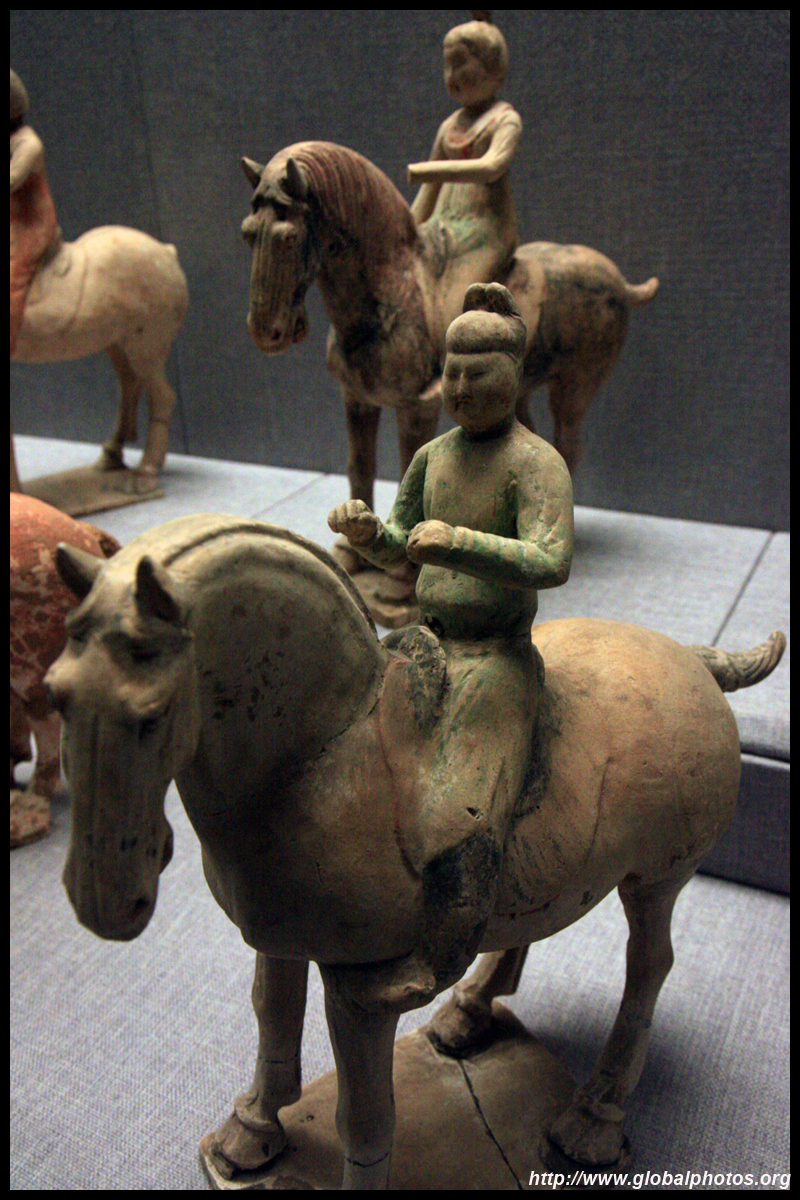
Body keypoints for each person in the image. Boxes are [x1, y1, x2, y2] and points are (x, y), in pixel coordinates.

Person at [329, 283, 573, 990]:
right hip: (423, 638)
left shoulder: (535, 462)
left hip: (496, 653)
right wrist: (370, 535)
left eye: (478, 374)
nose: (461, 389)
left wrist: (460, 542)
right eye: (453, 374)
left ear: (515, 374)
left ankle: (447, 943)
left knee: (468, 803)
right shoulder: (433, 457)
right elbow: (404, 547)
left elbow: (551, 559)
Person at [409, 15, 523, 347]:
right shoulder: (449, 127)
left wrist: (430, 170)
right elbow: (428, 195)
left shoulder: (504, 120)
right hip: (441, 227)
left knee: (453, 304)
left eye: (460, 63)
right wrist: (405, 231)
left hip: (485, 231)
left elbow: (492, 167)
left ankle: (451, 367)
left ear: (493, 67)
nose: (451, 75)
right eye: (447, 66)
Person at [10, 69, 61, 356]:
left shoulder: (29, 145)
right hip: (13, 219)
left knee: (14, 278)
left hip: (32, 224)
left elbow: (12, 180)